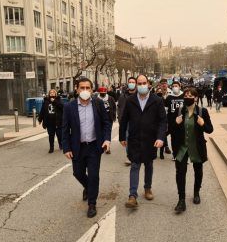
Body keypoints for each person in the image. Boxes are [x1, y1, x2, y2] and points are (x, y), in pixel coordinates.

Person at [62, 78, 112, 218]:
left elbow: (106, 122)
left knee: (94, 176)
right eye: (82, 88)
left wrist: (107, 139)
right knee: (77, 173)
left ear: (92, 90)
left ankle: (92, 204)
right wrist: (66, 148)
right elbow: (65, 129)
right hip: (78, 147)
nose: (85, 91)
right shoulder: (69, 107)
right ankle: (88, 187)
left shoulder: (98, 104)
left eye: (87, 88)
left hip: (95, 146)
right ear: (77, 89)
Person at [119, 74, 167, 208]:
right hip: (134, 138)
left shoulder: (156, 101)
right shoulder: (130, 100)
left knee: (148, 164)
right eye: (139, 83)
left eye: (143, 83)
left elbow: (163, 121)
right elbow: (124, 120)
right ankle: (132, 195)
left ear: (148, 84)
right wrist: (122, 136)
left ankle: (147, 188)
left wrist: (160, 137)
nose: (141, 86)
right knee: (135, 165)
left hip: (150, 139)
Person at [171, 87, 213, 212]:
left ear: (195, 98)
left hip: (197, 147)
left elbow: (210, 129)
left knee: (198, 170)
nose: (187, 97)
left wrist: (202, 124)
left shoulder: (202, 111)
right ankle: (181, 199)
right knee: (180, 172)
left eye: (190, 95)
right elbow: (171, 130)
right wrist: (176, 123)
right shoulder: (179, 111)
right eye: (186, 95)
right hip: (182, 147)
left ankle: (196, 193)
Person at [118, 77, 137, 166]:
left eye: (133, 82)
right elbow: (120, 108)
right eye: (130, 82)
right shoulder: (123, 96)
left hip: (137, 121)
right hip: (126, 121)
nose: (131, 83)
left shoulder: (139, 94)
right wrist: (120, 120)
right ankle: (129, 156)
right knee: (127, 138)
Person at [164, 81, 184, 160]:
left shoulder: (183, 96)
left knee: (182, 139)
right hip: (172, 122)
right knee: (174, 139)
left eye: (176, 86)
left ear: (180, 87)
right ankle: (175, 154)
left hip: (182, 122)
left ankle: (182, 156)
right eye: (173, 86)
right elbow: (165, 110)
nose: (175, 87)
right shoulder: (169, 97)